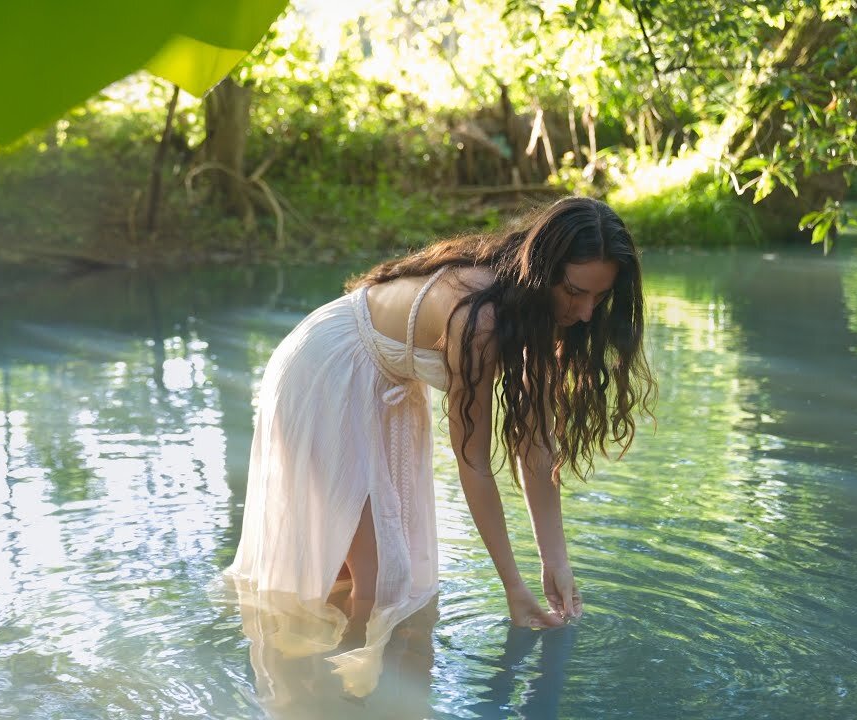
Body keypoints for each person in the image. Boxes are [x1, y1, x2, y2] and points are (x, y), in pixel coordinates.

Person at [224, 196, 656, 696]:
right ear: (543, 271)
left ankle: (340, 673)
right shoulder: (481, 318)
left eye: (598, 299)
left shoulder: (536, 311)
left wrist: (554, 559)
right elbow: (474, 464)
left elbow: (536, 446)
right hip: (326, 373)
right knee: (382, 569)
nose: (584, 314)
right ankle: (347, 695)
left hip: (378, 385)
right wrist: (513, 588)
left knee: (358, 567)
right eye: (575, 292)